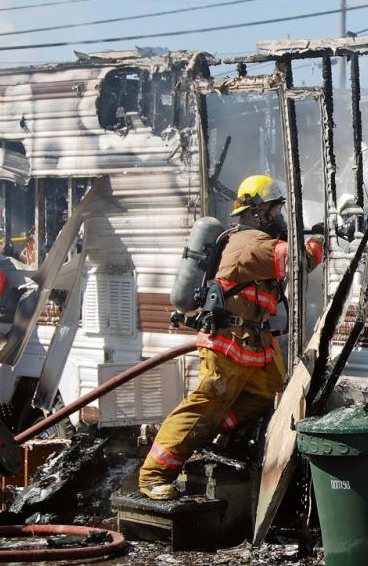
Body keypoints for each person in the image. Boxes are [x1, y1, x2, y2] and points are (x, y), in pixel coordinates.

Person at [139, 174, 323, 500]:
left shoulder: (256, 240)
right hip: (228, 344)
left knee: (267, 394)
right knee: (204, 407)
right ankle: (154, 475)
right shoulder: (250, 243)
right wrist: (319, 243)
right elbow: (296, 262)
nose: (278, 216)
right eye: (273, 209)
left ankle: (209, 430)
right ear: (255, 212)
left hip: (252, 343)